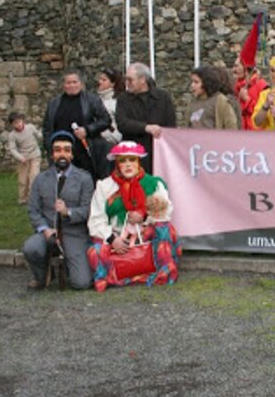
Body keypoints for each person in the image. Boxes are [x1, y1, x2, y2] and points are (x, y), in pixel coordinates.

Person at [87, 141, 181, 291]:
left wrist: (144, 218)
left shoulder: (154, 184)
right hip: (117, 236)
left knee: (164, 228)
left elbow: (165, 212)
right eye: (123, 161)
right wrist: (113, 240)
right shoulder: (104, 186)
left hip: (145, 232)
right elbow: (96, 220)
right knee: (96, 249)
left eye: (132, 159)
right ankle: (112, 277)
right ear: (117, 163)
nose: (128, 164)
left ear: (139, 162)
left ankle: (162, 272)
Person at [23, 131, 94, 290]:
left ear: (72, 155)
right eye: (57, 150)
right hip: (47, 231)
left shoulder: (84, 178)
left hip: (74, 233)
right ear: (52, 154)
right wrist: (44, 229)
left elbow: (87, 210)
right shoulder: (41, 179)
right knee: (31, 248)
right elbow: (33, 210)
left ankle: (70, 265)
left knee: (82, 283)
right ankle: (41, 276)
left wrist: (67, 212)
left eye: (66, 150)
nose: (62, 154)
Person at [43, 69, 112, 180]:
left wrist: (87, 130)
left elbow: (105, 120)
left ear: (81, 84)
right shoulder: (54, 103)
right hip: (62, 151)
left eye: (75, 82)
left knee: (87, 181)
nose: (72, 85)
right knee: (63, 182)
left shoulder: (92, 100)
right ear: (63, 85)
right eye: (68, 82)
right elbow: (47, 127)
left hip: (85, 150)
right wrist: (50, 147)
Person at [115, 62, 176, 174]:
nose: (127, 83)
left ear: (142, 79)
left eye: (130, 80)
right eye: (126, 79)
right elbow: (122, 123)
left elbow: (171, 125)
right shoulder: (123, 98)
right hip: (133, 153)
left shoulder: (163, 97)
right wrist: (145, 128)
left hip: (157, 151)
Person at [7, 111, 42, 205]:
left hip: (35, 156)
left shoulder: (30, 127)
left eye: (19, 121)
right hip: (23, 160)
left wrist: (42, 136)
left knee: (34, 177)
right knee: (23, 180)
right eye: (15, 123)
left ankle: (33, 198)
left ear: (23, 120)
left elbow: (39, 135)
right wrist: (20, 157)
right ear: (11, 125)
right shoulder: (12, 135)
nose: (18, 124)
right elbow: (12, 149)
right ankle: (23, 198)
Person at [97, 68, 124, 145]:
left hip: (112, 143)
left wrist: (115, 137)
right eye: (100, 79)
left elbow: (122, 123)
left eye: (104, 80)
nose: (100, 82)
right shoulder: (96, 100)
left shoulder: (117, 102)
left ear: (113, 83)